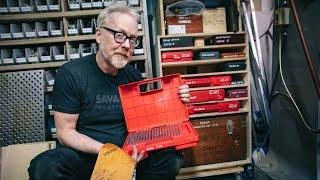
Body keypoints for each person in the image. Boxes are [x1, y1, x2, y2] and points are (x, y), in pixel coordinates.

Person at [28, 4, 190, 180]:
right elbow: (65, 132)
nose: (127, 45)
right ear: (99, 35)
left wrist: (175, 99)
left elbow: (145, 123)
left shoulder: (133, 76)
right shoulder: (71, 74)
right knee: (46, 165)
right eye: (120, 36)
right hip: (89, 157)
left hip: (130, 155)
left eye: (133, 39)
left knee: (171, 158)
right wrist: (108, 152)